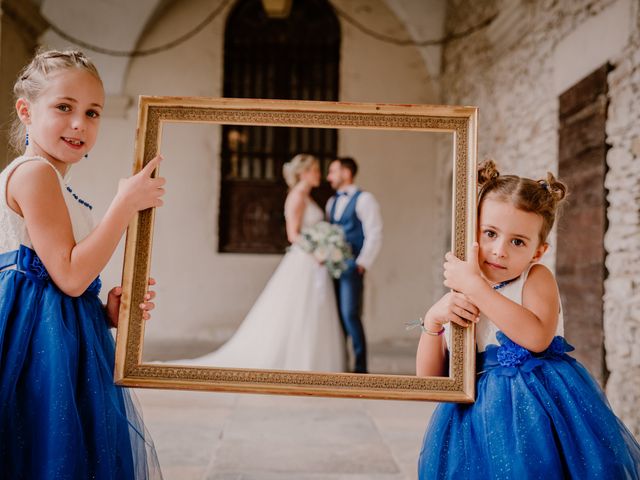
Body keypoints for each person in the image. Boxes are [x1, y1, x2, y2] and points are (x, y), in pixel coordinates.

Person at [416, 160, 640, 478]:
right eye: (490, 233)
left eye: (518, 241)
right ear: (471, 231)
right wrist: (433, 321)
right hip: (473, 422)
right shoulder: (461, 290)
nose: (499, 250)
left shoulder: (534, 278)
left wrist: (475, 286)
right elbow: (430, 382)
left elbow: (536, 338)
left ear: (537, 252)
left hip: (535, 415)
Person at [0, 49, 165, 479]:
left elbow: (65, 279)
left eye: (93, 113)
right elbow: (71, 276)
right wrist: (125, 204)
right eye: (63, 107)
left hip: (62, 337)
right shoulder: (34, 173)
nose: (80, 124)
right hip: (34, 348)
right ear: (26, 110)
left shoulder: (57, 184)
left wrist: (103, 313)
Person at [177, 154, 345, 372]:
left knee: (312, 311)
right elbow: (293, 235)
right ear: (303, 173)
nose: (318, 175)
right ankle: (298, 364)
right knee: (299, 310)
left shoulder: (307, 196)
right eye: (314, 170)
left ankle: (315, 365)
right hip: (305, 261)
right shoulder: (297, 196)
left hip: (313, 263)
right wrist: (318, 252)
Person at [326, 157, 382, 373]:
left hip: (352, 267)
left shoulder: (365, 199)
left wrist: (362, 263)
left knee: (350, 314)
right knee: (336, 317)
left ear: (346, 173)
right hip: (332, 267)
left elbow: (374, 232)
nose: (329, 177)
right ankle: (341, 365)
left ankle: (360, 370)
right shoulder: (331, 202)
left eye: (333, 171)